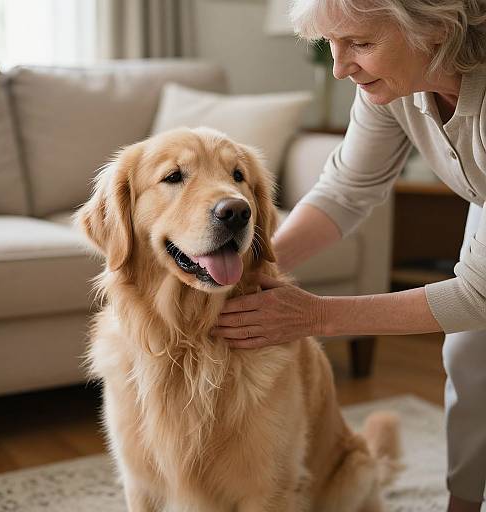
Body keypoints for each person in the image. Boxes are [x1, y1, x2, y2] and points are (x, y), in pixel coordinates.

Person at [210, 1, 486, 511]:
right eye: (330, 46)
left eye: (360, 43)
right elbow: (344, 192)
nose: (339, 68)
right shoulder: (394, 90)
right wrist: (253, 268)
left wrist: (312, 315)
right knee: (470, 355)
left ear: (437, 29)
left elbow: (478, 294)